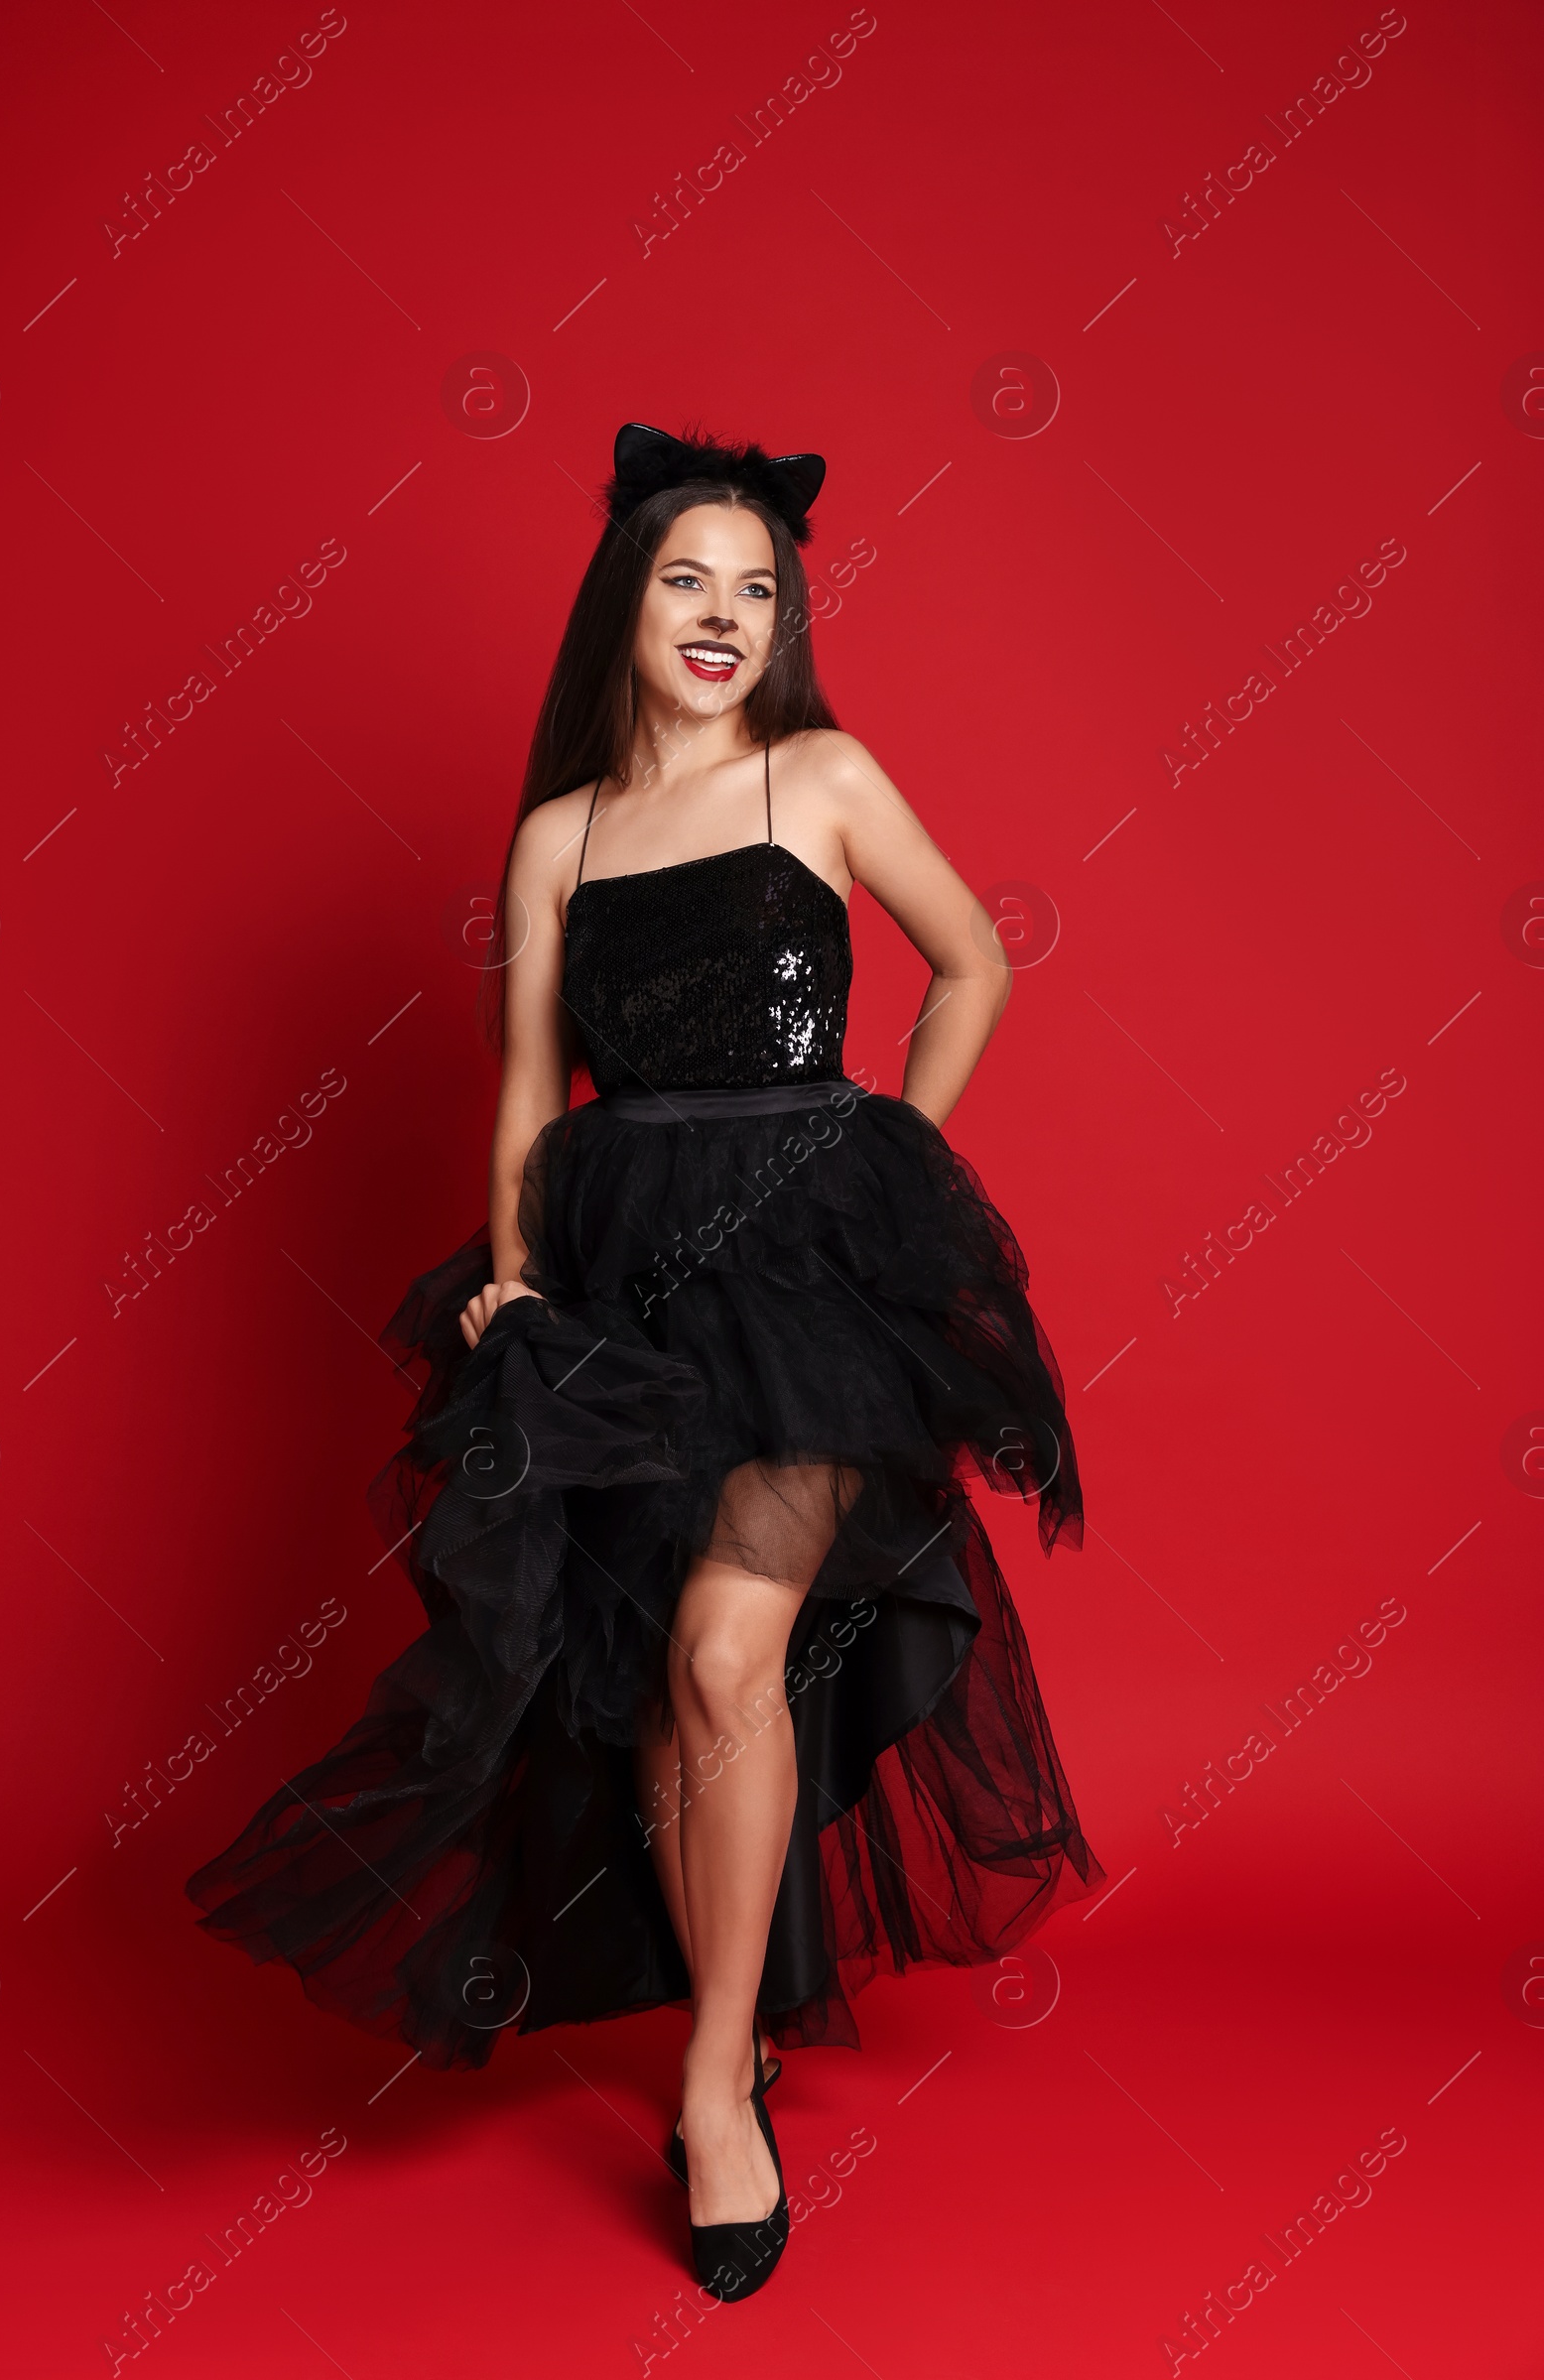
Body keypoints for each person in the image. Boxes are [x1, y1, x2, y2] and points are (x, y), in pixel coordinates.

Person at [188, 422, 1102, 2302]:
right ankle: (736, 2024)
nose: (726, 615)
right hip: (618, 1288)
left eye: (758, 589)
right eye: (691, 577)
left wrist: (887, 1167)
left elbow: (975, 963)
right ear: (624, 597)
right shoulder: (560, 838)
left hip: (811, 1286)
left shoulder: (822, 777)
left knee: (722, 1651)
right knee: (657, 1699)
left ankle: (709, 2094)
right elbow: (530, 1082)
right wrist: (518, 1287)